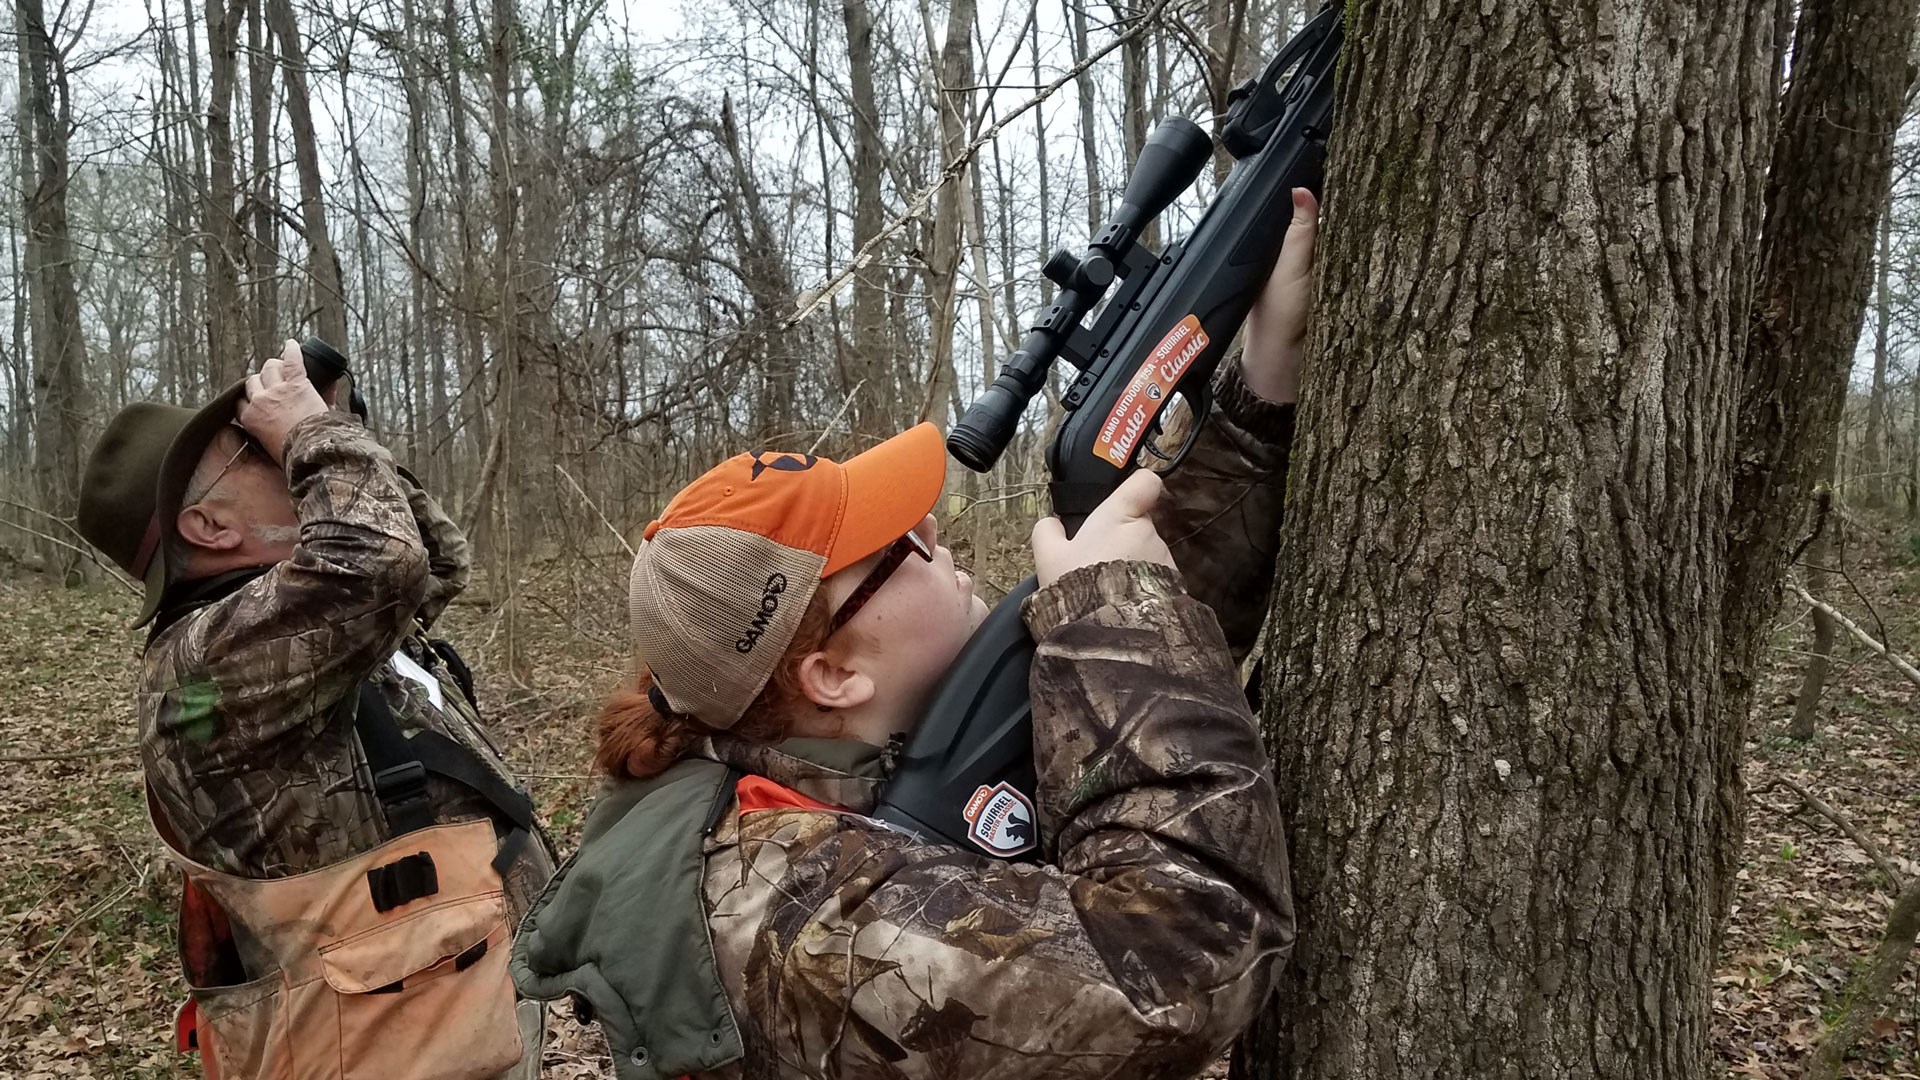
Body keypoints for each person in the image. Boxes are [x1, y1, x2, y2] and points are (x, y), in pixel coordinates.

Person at [510, 191, 1320, 1079]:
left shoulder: (832, 761)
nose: (937, 534)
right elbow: (1178, 968)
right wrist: (1115, 611)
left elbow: (1137, 691)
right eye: (901, 546)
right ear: (833, 674)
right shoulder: (799, 918)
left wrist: (1259, 390)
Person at [76, 341, 555, 1080]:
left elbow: (434, 555)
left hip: (452, 1001)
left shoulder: (311, 623)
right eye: (257, 454)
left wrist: (333, 428)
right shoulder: (205, 663)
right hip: (383, 1044)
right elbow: (380, 559)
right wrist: (313, 435)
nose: (287, 463)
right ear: (207, 527)